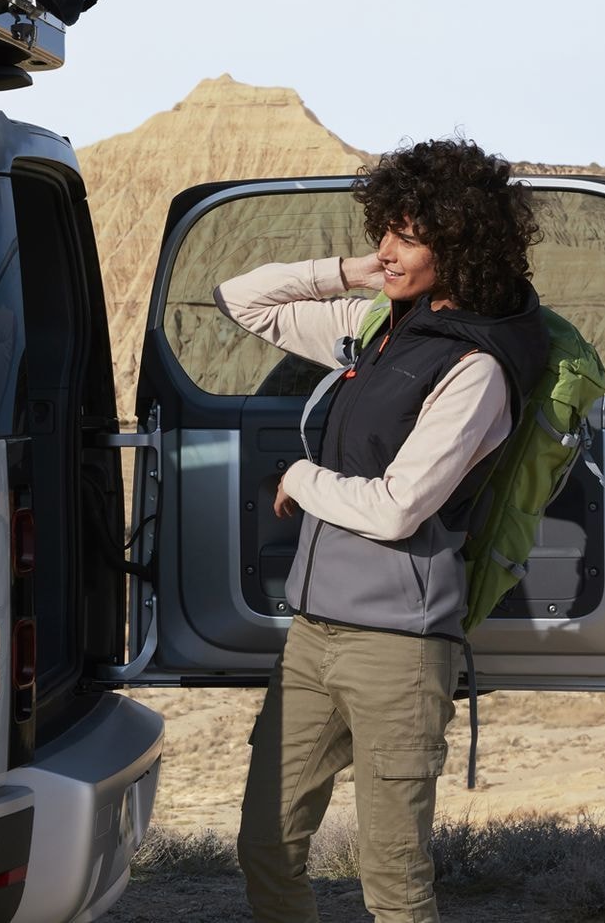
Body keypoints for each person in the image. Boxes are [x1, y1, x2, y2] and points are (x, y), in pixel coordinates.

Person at [218, 137, 549, 923]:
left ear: (461, 244)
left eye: (408, 236)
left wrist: (300, 479)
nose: (387, 249)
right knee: (265, 845)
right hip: (314, 635)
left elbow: (400, 505)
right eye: (384, 230)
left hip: (397, 650)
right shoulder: (378, 325)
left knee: (394, 881)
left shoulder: (478, 370)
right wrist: (355, 273)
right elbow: (243, 299)